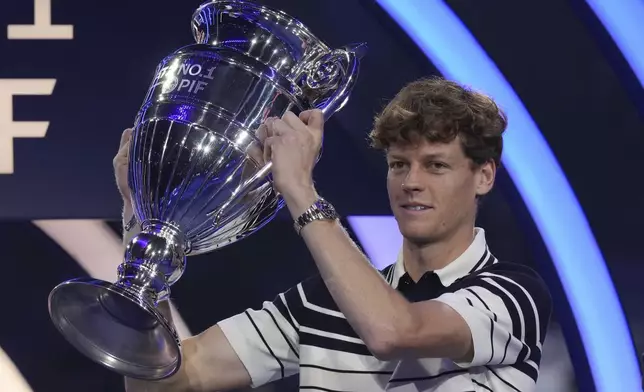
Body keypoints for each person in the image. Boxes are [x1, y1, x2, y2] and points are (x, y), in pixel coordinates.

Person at [119, 76, 552, 391]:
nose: (411, 182)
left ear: (484, 176)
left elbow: (392, 333)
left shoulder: (513, 294)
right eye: (399, 164)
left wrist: (301, 191)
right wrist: (143, 224)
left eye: (436, 165)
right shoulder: (321, 302)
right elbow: (164, 383)